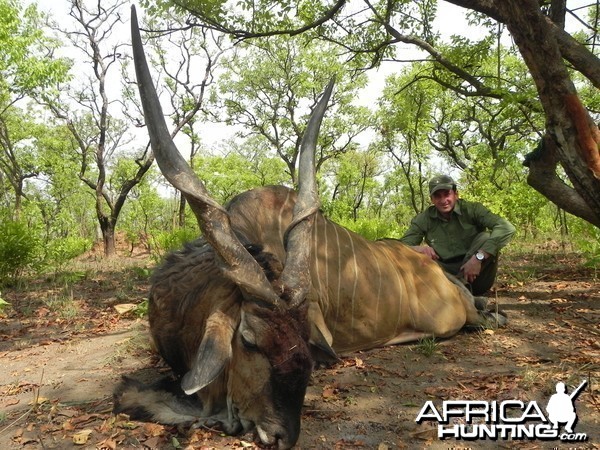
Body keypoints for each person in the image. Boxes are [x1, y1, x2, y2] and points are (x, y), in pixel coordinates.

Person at [399, 174, 515, 295]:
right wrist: (417, 249)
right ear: (432, 200)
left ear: (456, 194)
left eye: (447, 194)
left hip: (477, 274)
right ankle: (459, 293)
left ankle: (462, 292)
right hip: (445, 275)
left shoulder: (472, 209)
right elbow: (399, 246)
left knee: (485, 237)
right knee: (416, 259)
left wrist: (478, 258)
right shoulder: (424, 218)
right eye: (437, 196)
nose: (443, 200)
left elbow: (507, 228)